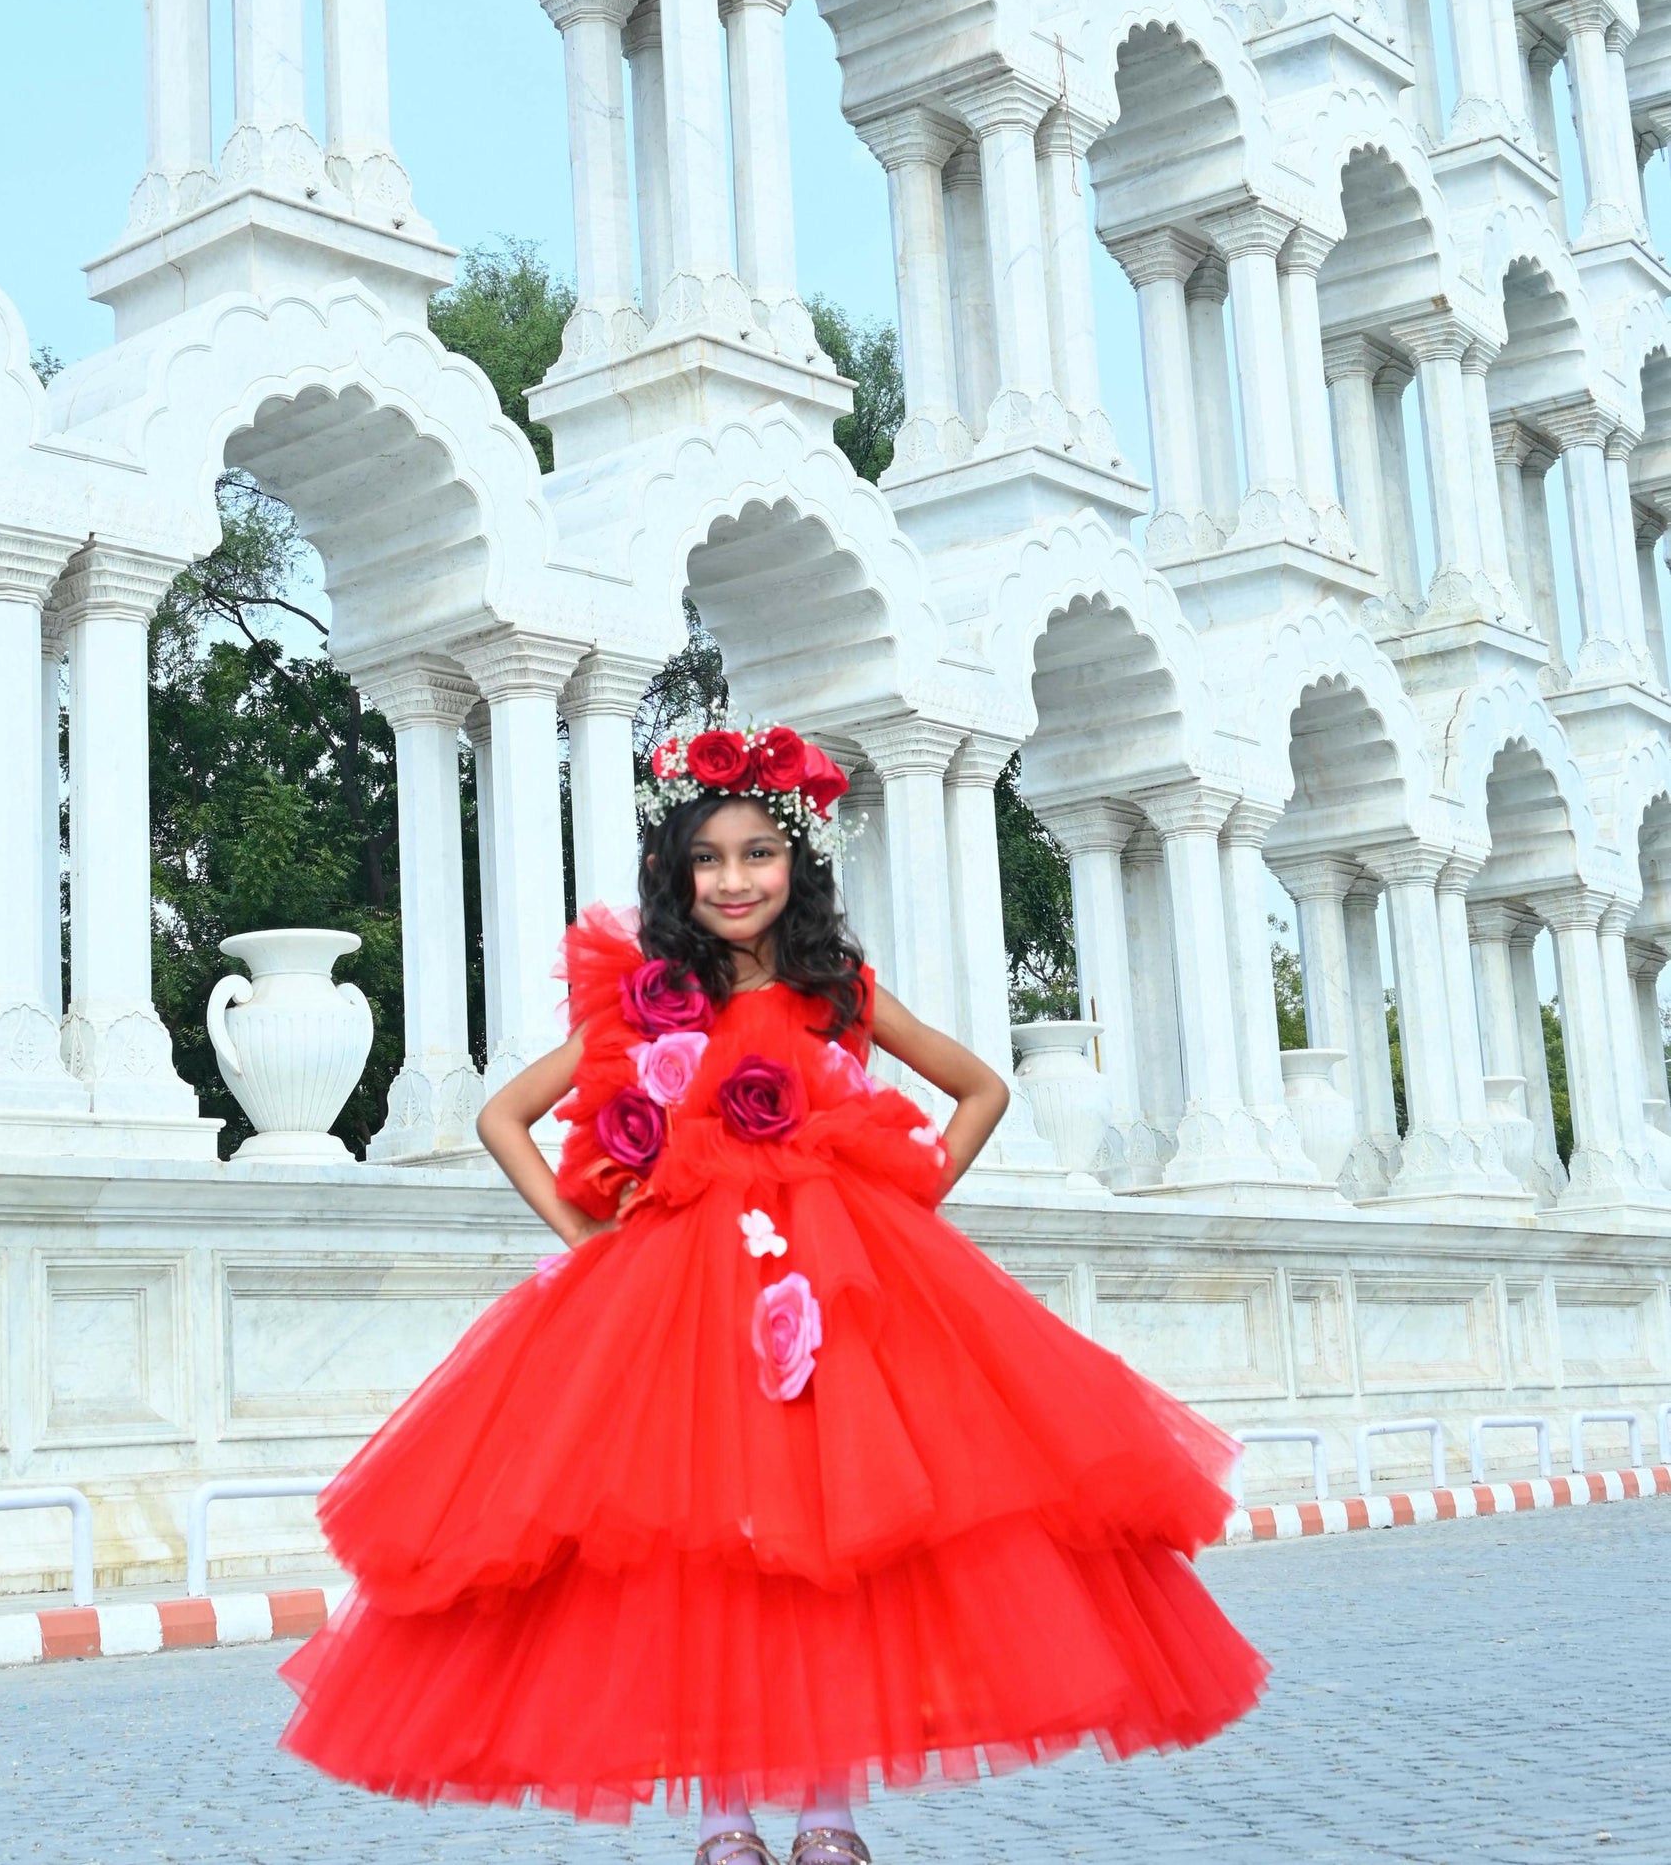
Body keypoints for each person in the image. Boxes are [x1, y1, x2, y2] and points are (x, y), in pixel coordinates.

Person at [282, 723, 1267, 1861]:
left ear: (795, 863)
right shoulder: (648, 999)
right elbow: (504, 1117)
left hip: (830, 1298)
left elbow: (979, 1089)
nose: (734, 878)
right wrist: (587, 1234)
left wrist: (898, 1200)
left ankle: (826, 1812)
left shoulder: (831, 989)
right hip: (674, 1306)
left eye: (757, 852)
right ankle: (722, 1818)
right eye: (708, 858)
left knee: (823, 1530)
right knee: (701, 1538)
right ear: (676, 874)